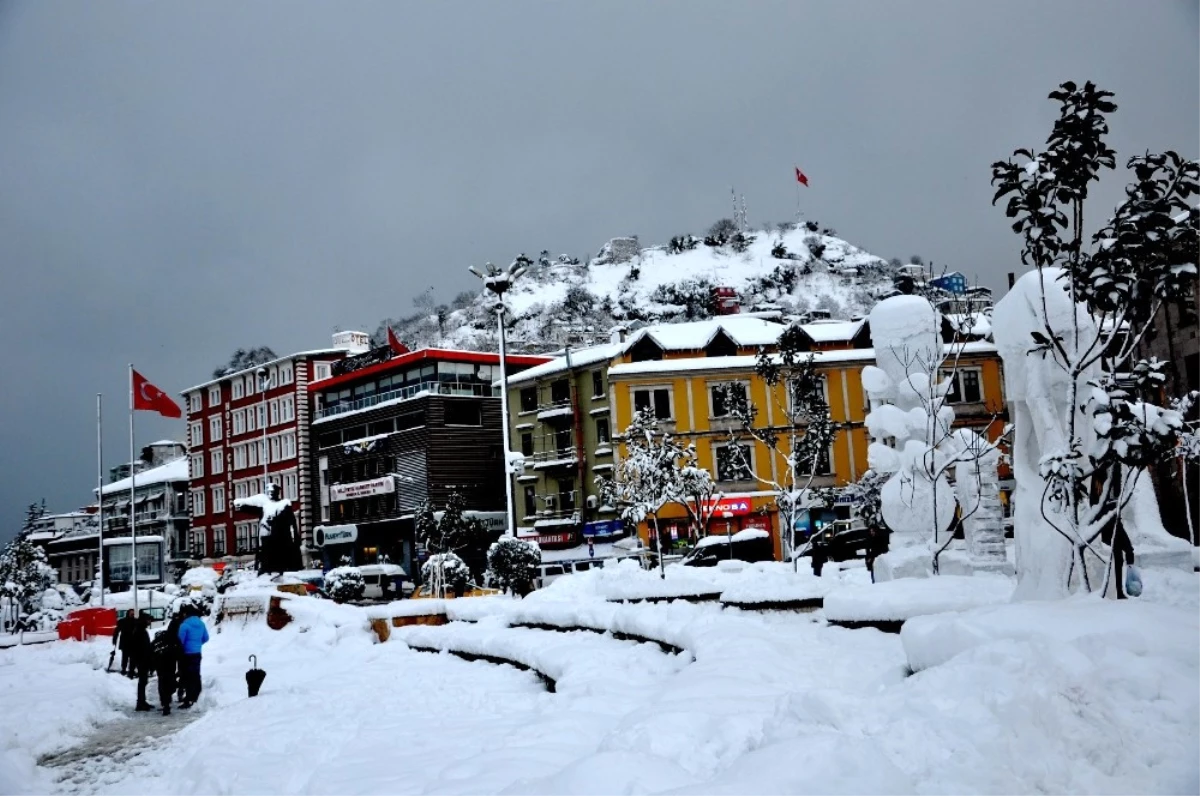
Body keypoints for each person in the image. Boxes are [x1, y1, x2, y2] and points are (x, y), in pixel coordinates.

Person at [177, 605, 210, 708]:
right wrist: (197, 644)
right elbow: (206, 638)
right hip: (197, 653)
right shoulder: (201, 624)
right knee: (196, 674)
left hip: (186, 654)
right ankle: (196, 696)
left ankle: (188, 699)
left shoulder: (184, 625)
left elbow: (180, 641)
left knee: (187, 676)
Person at [153, 611, 185, 715]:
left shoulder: (160, 638)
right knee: (169, 681)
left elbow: (151, 650)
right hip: (170, 664)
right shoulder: (175, 639)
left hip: (160, 664)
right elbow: (180, 652)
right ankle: (167, 700)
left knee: (162, 682)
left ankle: (165, 702)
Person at [131, 612, 155, 712]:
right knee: (142, 681)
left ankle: (142, 701)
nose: (149, 622)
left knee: (143, 681)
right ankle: (140, 703)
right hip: (141, 659)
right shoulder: (140, 631)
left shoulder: (140, 629)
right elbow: (141, 647)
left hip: (141, 659)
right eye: (148, 620)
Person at [112, 610, 137, 677]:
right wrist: (114, 639)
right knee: (125, 657)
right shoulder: (122, 621)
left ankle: (131, 670)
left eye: (133, 613)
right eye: (131, 613)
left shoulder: (135, 621)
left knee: (133, 658)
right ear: (128, 613)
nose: (132, 614)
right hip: (125, 642)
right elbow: (117, 631)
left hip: (133, 643)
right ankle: (123, 669)